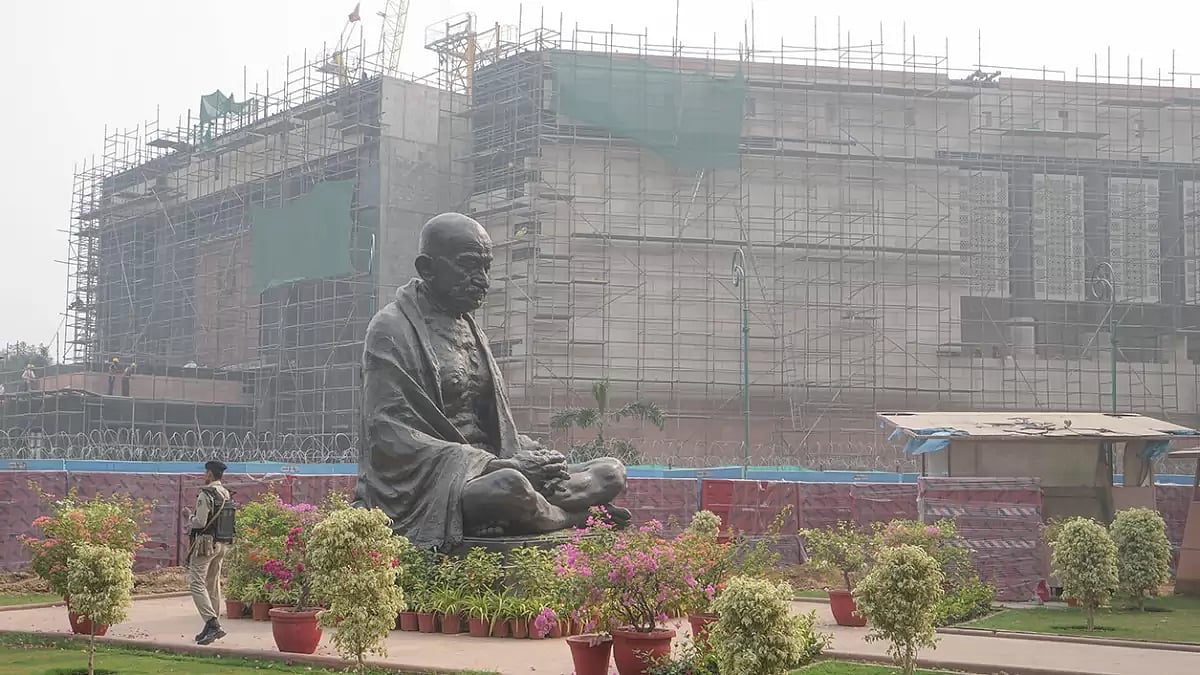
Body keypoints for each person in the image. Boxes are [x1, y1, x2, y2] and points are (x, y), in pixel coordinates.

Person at [353, 212, 630, 551]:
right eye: (468, 266)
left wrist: (538, 457)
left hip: (500, 465)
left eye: (485, 267)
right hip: (439, 483)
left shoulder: (472, 330)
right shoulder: (391, 330)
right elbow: (389, 435)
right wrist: (498, 465)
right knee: (509, 488)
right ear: (426, 268)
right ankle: (572, 518)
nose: (482, 280)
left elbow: (493, 429)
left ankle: (538, 510)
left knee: (610, 471)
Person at [188, 460, 233, 645]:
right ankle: (212, 626)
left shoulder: (206, 493)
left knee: (196, 583)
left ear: (210, 474)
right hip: (222, 543)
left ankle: (212, 623)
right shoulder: (225, 492)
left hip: (206, 544)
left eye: (206, 473)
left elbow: (200, 521)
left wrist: (190, 517)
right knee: (213, 584)